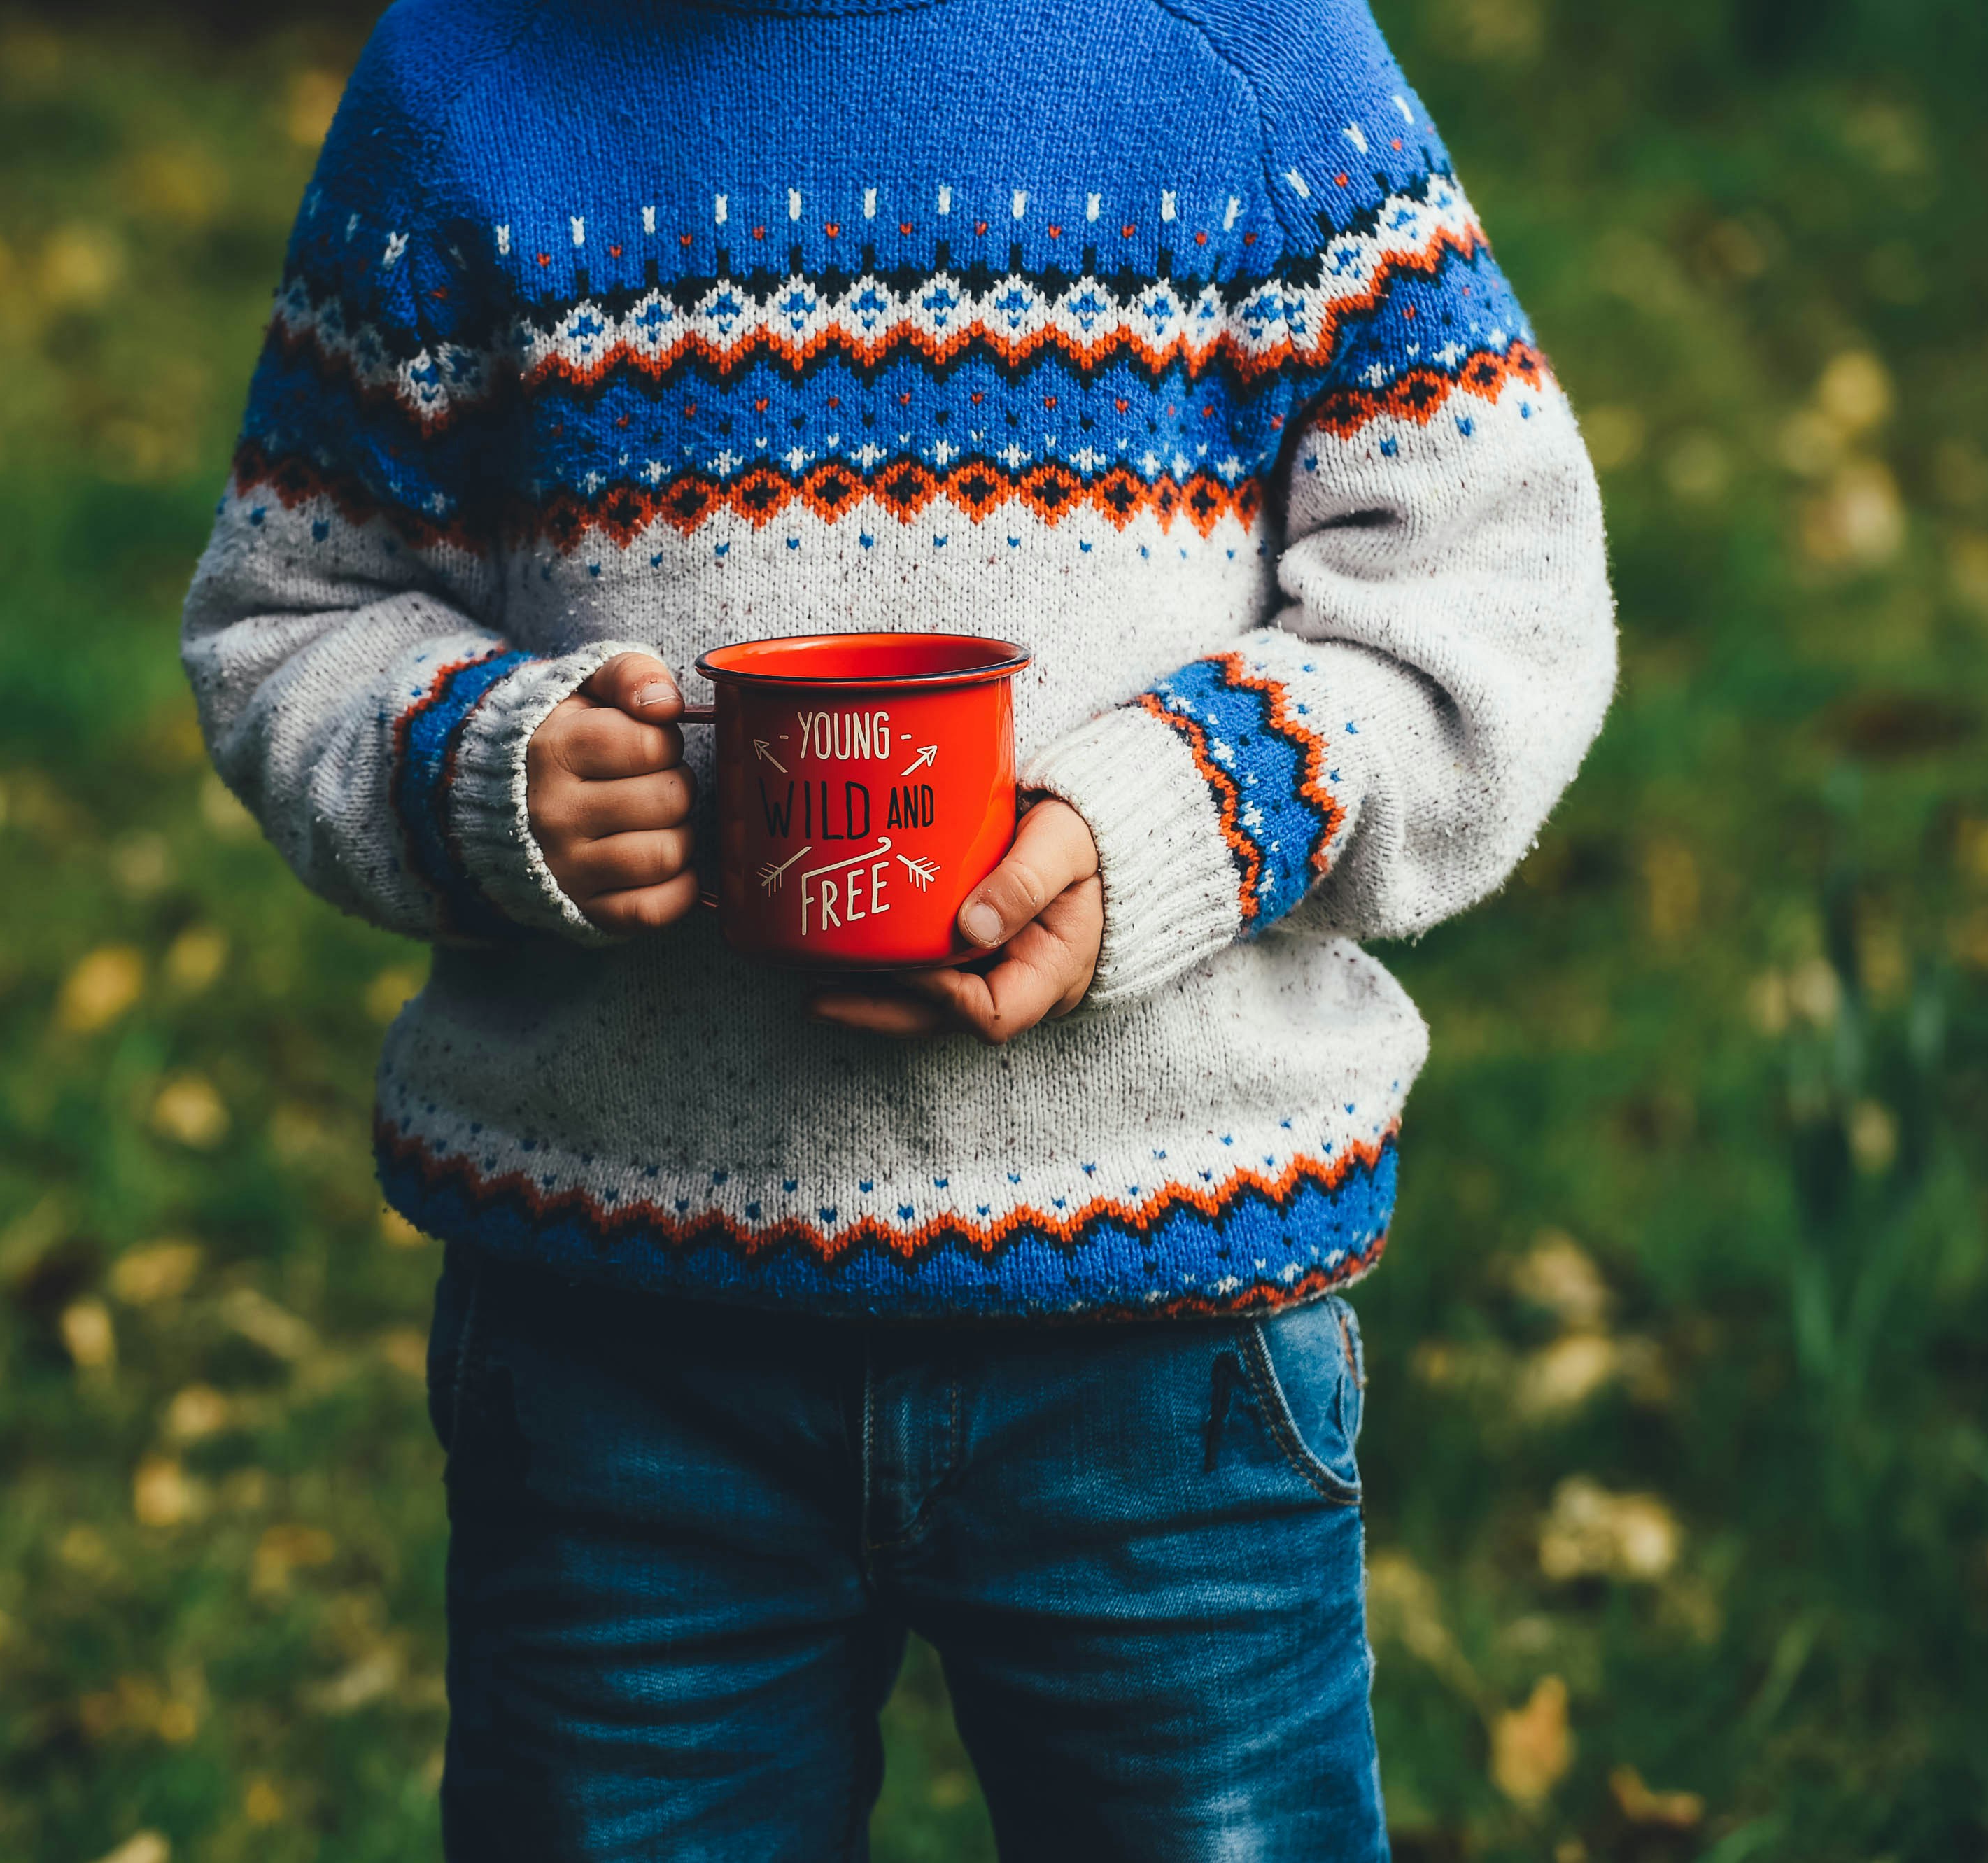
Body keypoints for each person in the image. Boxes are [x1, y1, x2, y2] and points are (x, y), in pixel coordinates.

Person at [183, 0, 1613, 1852]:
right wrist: (483, 772)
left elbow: (1488, 586)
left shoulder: (1252, 59)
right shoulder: (466, 82)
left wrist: (1184, 819)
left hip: (1167, 1340)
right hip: (623, 1356)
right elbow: (294, 606)